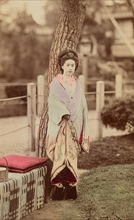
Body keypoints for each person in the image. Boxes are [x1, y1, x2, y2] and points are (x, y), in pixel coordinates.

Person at [46, 49, 90, 200]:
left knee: (71, 155)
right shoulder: (55, 83)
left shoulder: (76, 83)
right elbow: (52, 103)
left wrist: (79, 116)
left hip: (73, 125)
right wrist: (64, 112)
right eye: (68, 65)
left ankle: (71, 187)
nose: (71, 67)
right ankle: (58, 187)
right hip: (60, 125)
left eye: (73, 65)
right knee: (60, 155)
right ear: (62, 66)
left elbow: (82, 103)